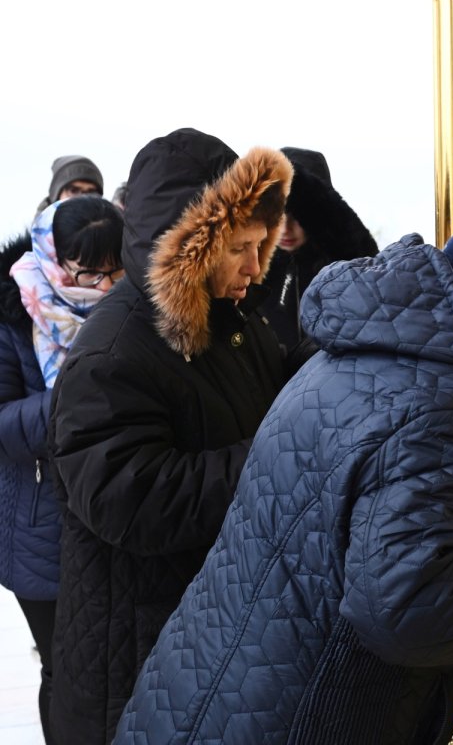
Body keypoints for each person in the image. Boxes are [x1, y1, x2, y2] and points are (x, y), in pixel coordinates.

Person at [116, 214, 453, 744]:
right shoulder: (449, 411)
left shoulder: (383, 352)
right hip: (289, 717)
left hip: (213, 689)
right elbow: (412, 612)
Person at [47, 128, 294, 744]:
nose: (255, 267)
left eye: (262, 245)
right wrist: (276, 463)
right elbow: (127, 499)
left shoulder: (233, 322)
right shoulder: (113, 349)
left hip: (200, 636)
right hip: (132, 659)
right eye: (240, 247)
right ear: (190, 246)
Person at [0, 196, 123, 744]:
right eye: (88, 272)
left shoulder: (136, 310)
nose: (102, 288)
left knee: (114, 665)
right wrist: (74, 396)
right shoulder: (11, 313)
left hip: (117, 512)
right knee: (63, 669)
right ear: (54, 260)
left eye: (114, 271)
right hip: (41, 523)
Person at [260, 146, 378, 351]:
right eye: (279, 215)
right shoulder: (253, 272)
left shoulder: (349, 269)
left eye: (299, 217)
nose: (286, 229)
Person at [36, 155, 104, 212]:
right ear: (56, 195)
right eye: (74, 191)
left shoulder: (110, 224)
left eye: (91, 192)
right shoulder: (38, 226)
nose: (83, 198)